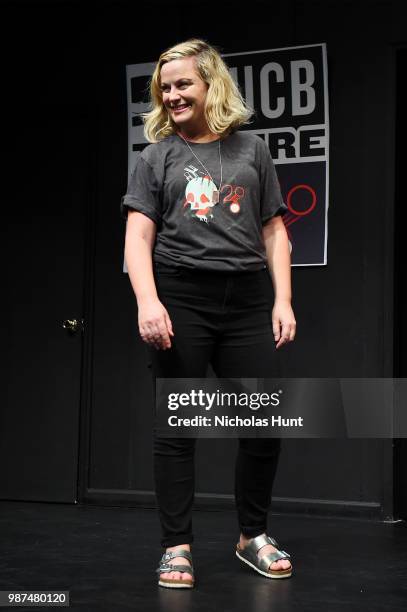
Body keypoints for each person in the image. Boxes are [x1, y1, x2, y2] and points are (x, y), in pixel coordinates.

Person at [121, 38, 296, 589]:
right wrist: (149, 301)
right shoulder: (155, 157)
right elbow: (138, 237)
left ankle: (252, 537)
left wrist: (282, 298)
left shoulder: (253, 151)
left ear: (210, 85)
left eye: (182, 84)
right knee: (179, 427)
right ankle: (177, 547)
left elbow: (274, 231)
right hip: (183, 296)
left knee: (264, 423)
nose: (172, 95)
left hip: (245, 299)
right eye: (164, 87)